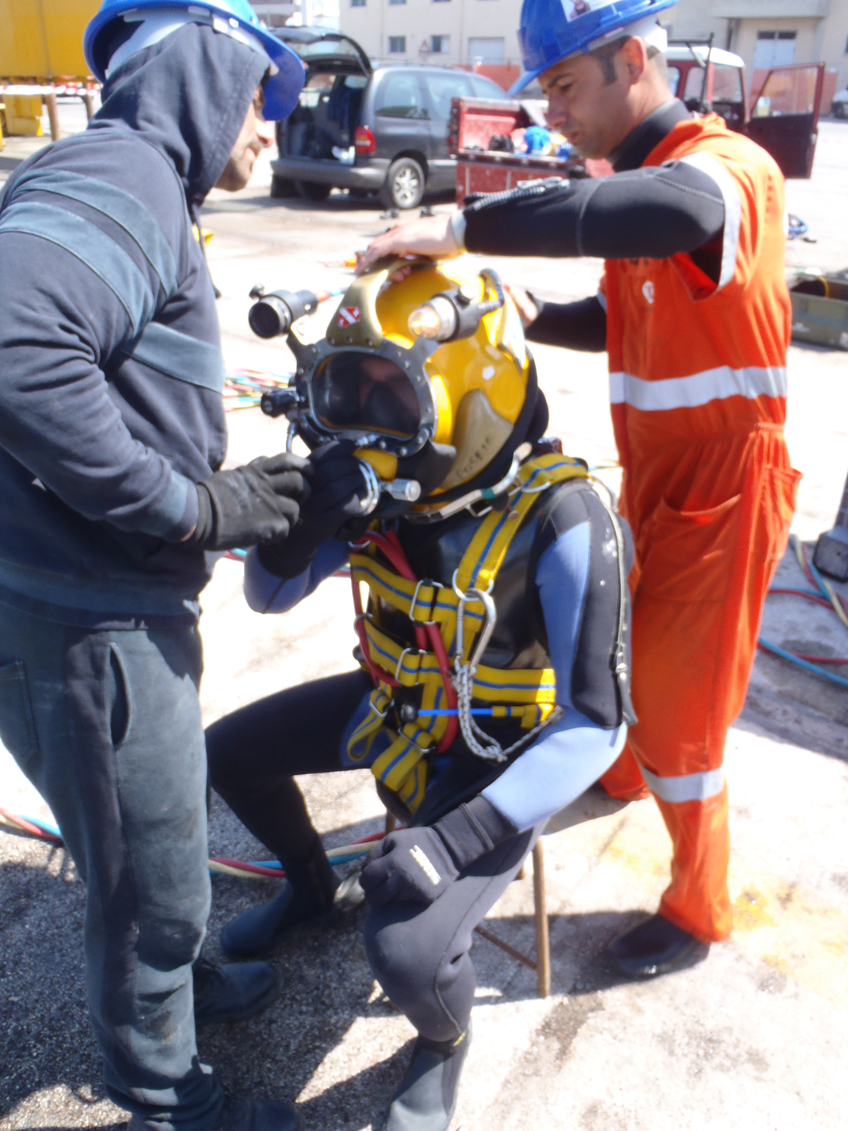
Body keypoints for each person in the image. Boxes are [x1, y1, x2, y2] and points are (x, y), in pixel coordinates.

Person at [356, 0, 799, 978]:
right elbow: (622, 320)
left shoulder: (720, 171)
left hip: (727, 479)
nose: (549, 112)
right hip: (657, 471)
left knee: (682, 706)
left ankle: (697, 908)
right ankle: (625, 774)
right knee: (621, 647)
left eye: (562, 86)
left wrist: (461, 226)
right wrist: (527, 314)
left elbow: (675, 213)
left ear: (631, 59)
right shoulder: (639, 189)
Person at [205, 260, 634, 1131]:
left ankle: (444, 1041)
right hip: (396, 705)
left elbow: (597, 725)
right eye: (347, 393)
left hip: (498, 754)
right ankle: (312, 887)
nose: (361, 428)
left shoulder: (566, 520)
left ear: (467, 408)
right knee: (229, 755)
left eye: (388, 400)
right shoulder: (384, 488)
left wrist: (454, 839)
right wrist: (301, 530)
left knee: (405, 946)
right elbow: (268, 597)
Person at [0, 4, 316, 1130]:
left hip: (78, 598)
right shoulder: (127, 173)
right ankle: (165, 1096)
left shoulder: (125, 175)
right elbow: (17, 347)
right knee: (155, 886)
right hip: (94, 621)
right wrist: (195, 506)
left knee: (142, 836)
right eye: (262, 94)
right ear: (204, 68)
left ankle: (175, 993)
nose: (271, 127)